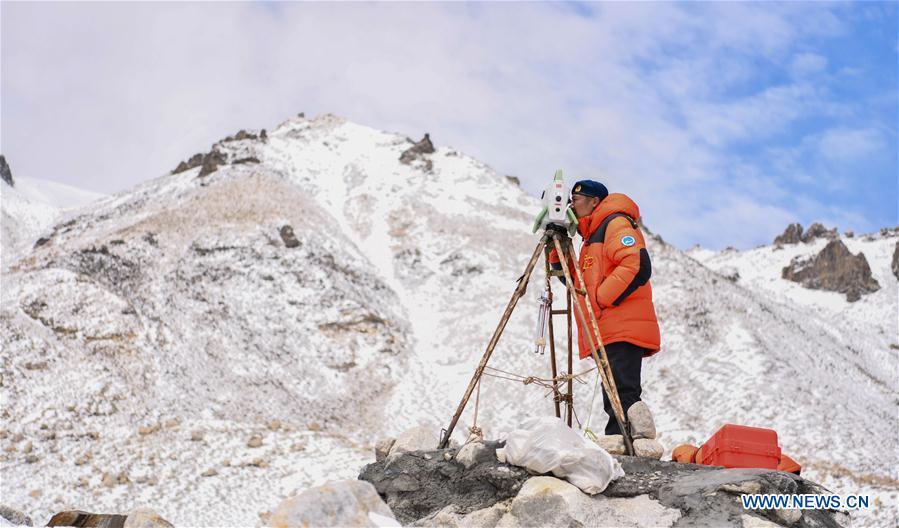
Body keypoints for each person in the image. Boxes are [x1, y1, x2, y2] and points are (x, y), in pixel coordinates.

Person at [549, 179, 661, 436]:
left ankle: (626, 445)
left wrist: (601, 298)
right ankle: (621, 442)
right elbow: (575, 282)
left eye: (575, 200)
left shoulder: (615, 223)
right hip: (609, 326)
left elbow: (636, 264)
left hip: (621, 325)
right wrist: (556, 249)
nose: (571, 206)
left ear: (594, 201)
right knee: (614, 391)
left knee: (622, 391)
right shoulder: (591, 240)